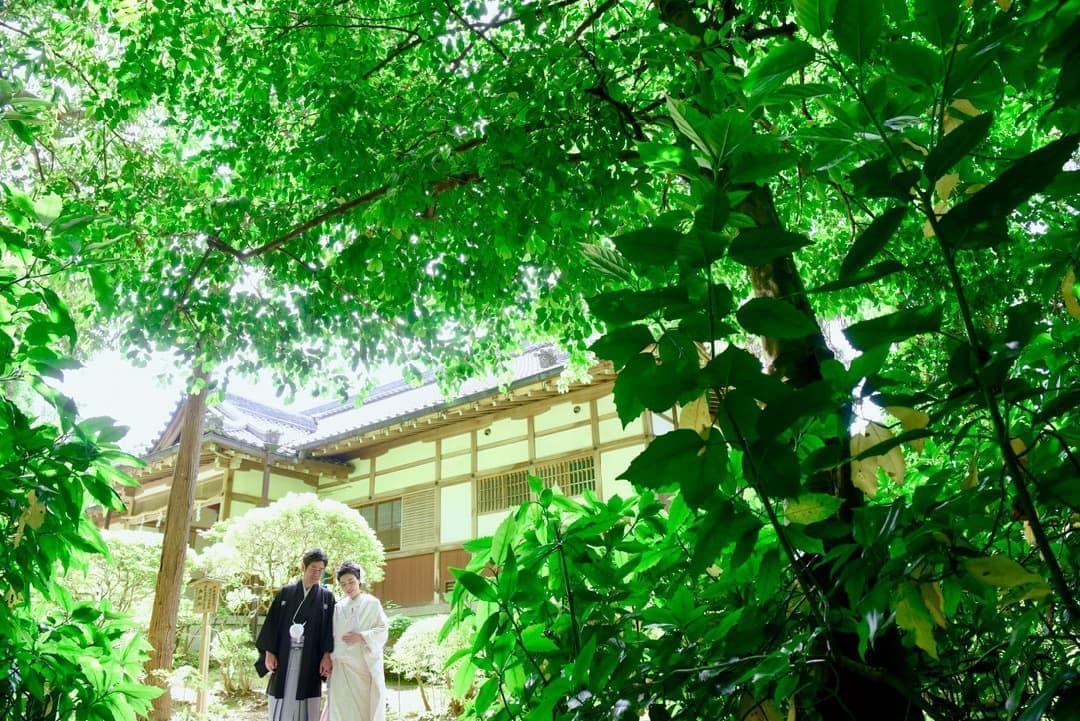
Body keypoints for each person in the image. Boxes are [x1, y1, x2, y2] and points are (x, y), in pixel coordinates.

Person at [256, 548, 336, 721]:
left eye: (321, 570)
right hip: (284, 653)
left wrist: (327, 655)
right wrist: (269, 652)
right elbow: (272, 623)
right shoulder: (285, 593)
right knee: (282, 692)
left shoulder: (327, 597)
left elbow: (330, 629)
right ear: (303, 567)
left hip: (311, 656)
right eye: (313, 568)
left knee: (307, 695)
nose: (317, 573)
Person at [325, 561, 388, 721]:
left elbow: (382, 630)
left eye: (351, 581)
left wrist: (361, 636)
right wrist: (329, 658)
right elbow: (332, 635)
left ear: (359, 580)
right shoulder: (338, 607)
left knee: (364, 709)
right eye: (343, 584)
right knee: (341, 709)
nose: (348, 587)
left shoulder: (371, 603)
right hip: (341, 666)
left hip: (363, 665)